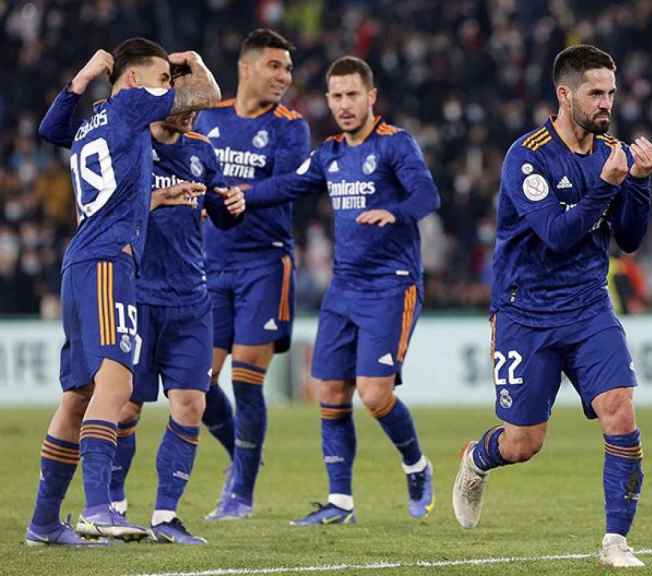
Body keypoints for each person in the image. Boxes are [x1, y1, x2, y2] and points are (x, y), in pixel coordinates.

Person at [450, 45, 652, 568]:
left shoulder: (611, 152)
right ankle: (477, 457)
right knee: (523, 444)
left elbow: (628, 240)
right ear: (565, 95)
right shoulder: (528, 155)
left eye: (611, 91)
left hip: (588, 307)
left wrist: (641, 182)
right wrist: (610, 183)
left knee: (621, 410)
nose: (607, 102)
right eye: (595, 92)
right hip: (526, 312)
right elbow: (555, 234)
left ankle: (616, 540)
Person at [25, 39, 220, 546]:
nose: (167, 87)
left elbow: (50, 129)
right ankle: (97, 510)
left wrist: (82, 77)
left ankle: (44, 523)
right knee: (116, 384)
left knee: (78, 396)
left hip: (80, 263)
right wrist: (188, 62)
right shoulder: (134, 104)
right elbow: (207, 92)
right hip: (110, 263)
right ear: (133, 81)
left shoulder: (96, 118)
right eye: (159, 77)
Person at [239, 56, 440, 524]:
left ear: (371, 97)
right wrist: (245, 195)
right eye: (337, 96)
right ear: (327, 100)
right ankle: (340, 503)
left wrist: (395, 211)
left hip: (391, 286)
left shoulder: (395, 146)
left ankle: (416, 464)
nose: (345, 105)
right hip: (343, 287)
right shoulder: (329, 152)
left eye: (353, 95)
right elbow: (290, 184)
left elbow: (427, 196)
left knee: (373, 394)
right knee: (329, 389)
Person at [194, 28, 310, 521]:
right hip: (210, 264)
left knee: (246, 378)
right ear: (246, 68)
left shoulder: (291, 126)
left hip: (265, 262)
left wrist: (247, 194)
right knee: (197, 383)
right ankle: (244, 455)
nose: (284, 76)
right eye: (275, 66)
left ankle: (240, 491)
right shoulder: (210, 117)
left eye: (287, 68)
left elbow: (292, 182)